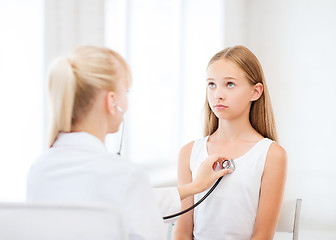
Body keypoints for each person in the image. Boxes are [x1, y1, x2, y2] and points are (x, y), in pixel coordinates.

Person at [26, 45, 232, 240]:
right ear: (111, 101)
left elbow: (117, 200)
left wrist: (194, 186)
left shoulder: (39, 169)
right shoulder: (126, 176)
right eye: (127, 91)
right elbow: (127, 196)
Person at [173, 45, 287, 240]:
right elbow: (182, 233)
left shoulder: (272, 155)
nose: (218, 94)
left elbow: (262, 237)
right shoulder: (188, 153)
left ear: (255, 92)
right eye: (212, 84)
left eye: (230, 84)